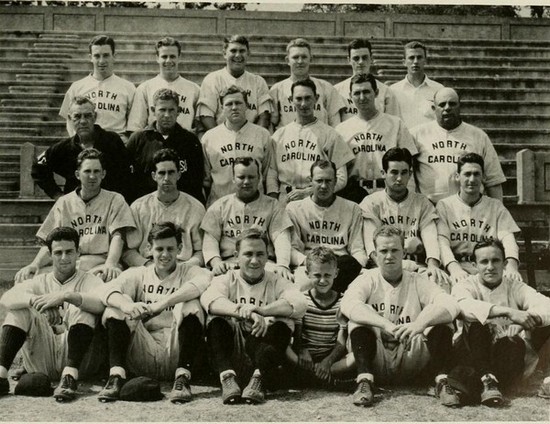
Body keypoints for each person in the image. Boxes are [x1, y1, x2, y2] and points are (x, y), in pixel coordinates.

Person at [340, 225, 460, 407]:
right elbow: (348, 305)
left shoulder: (417, 280)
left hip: (411, 352)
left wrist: (419, 324)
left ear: (404, 251)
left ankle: (442, 381)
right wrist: (384, 324)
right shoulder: (366, 279)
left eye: (395, 250)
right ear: (375, 254)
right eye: (384, 250)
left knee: (441, 321)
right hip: (377, 356)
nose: (389, 256)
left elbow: (451, 305)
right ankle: (365, 380)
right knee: (357, 320)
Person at [97, 222, 211, 403]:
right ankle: (116, 376)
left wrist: (160, 304)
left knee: (191, 304)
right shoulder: (139, 273)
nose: (165, 255)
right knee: (114, 308)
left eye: (170, 249)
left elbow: (204, 281)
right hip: (144, 350)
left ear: (179, 249)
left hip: (177, 348)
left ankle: (183, 378)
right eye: (159, 249)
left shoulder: (190, 271)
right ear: (149, 248)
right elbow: (105, 291)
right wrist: (127, 305)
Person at [201, 228, 307, 404]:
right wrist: (244, 311)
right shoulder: (227, 278)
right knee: (216, 321)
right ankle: (227, 378)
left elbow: (300, 303)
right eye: (248, 254)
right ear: (236, 256)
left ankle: (258, 379)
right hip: (232, 351)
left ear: (267, 256)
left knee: (284, 322)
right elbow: (209, 300)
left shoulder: (276, 280)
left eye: (260, 254)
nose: (254, 260)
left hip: (263, 351)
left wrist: (262, 311)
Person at [0, 227, 105, 401]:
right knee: (20, 309)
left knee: (84, 307)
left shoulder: (90, 280)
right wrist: (37, 302)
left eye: (69, 251)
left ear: (78, 253)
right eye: (58, 252)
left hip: (81, 363)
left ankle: (69, 377)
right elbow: (7, 298)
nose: (64, 258)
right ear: (50, 254)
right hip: (42, 359)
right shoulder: (40, 280)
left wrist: (66, 296)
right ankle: (1, 376)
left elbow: (102, 304)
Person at [450, 240, 550, 405]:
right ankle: (485, 380)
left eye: (495, 260)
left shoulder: (514, 286)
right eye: (484, 262)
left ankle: (479, 384)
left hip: (508, 356)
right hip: (475, 353)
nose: (490, 266)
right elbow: (464, 306)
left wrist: (528, 318)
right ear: (475, 265)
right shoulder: (466, 285)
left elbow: (546, 304)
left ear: (504, 264)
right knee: (478, 324)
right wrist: (510, 312)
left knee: (511, 342)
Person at [15, 148, 136, 284]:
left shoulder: (115, 199)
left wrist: (111, 263)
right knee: (28, 279)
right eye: (87, 171)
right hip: (69, 262)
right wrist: (35, 264)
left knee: (108, 278)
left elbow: (118, 236)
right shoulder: (64, 202)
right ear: (78, 174)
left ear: (103, 174)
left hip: (100, 262)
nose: (92, 176)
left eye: (96, 171)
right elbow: (50, 242)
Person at [359, 148, 447, 286]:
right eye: (394, 172)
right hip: (381, 267)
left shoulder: (422, 202)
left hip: (415, 266)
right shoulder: (371, 202)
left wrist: (433, 265)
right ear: (383, 173)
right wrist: (388, 269)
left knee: (440, 283)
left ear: (410, 174)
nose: (399, 178)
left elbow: (430, 237)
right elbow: (370, 244)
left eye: (404, 173)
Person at [201, 157, 293, 280]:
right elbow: (210, 239)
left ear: (259, 178)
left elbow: (281, 238)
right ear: (233, 178)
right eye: (241, 177)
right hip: (229, 264)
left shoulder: (272, 205)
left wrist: (282, 264)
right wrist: (216, 262)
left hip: (263, 265)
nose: (246, 182)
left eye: (251, 177)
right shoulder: (219, 206)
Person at [436, 153, 521, 283]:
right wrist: (454, 268)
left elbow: (508, 239)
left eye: (476, 174)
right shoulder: (445, 206)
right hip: (457, 267)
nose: (472, 179)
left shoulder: (495, 206)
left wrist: (511, 267)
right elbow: (442, 242)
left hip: (488, 268)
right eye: (467, 174)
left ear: (483, 177)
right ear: (458, 176)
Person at [410, 87, 506, 204]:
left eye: (452, 104)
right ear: (434, 108)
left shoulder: (478, 136)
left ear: (460, 106)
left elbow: (493, 180)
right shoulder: (417, 134)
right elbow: (407, 176)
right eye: (442, 104)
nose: (447, 108)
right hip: (430, 209)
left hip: (468, 209)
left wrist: (497, 212)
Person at [267, 79, 354, 204]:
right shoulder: (279, 135)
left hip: (317, 199)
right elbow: (272, 173)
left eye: (308, 98)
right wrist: (274, 200)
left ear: (316, 98)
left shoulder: (330, 134)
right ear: (291, 100)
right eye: (299, 99)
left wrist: (311, 191)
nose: (303, 104)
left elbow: (341, 177)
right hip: (285, 198)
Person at [286, 160, 367, 293]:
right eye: (319, 180)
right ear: (310, 181)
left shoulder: (352, 209)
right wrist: (314, 264)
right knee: (298, 288)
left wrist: (351, 267)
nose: (324, 186)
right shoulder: (295, 208)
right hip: (309, 266)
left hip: (342, 267)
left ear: (336, 181)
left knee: (362, 287)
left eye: (328, 181)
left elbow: (358, 250)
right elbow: (292, 250)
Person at [32, 96, 133, 202]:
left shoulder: (112, 141)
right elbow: (38, 168)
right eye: (77, 116)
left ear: (95, 117)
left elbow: (126, 176)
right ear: (70, 119)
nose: (83, 121)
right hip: (76, 207)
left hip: (108, 205)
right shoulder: (64, 148)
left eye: (88, 116)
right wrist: (56, 194)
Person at [335, 74, 417, 202]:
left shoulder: (396, 124)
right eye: (357, 93)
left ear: (376, 92)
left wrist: (408, 196)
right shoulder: (342, 129)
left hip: (388, 192)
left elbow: (409, 165)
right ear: (350, 96)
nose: (362, 97)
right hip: (354, 193)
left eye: (366, 92)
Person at [124, 148, 205, 268]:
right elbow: (129, 251)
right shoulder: (138, 207)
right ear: (154, 176)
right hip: (148, 266)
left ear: (179, 174)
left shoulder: (195, 207)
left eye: (171, 172)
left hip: (184, 266)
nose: (166, 178)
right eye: (162, 173)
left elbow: (201, 251)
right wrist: (147, 265)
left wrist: (184, 268)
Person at [286, 247, 354, 386]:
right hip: (306, 359)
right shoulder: (303, 300)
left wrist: (328, 361)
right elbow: (298, 335)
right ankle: (326, 380)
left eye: (327, 275)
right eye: (317, 275)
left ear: (336, 273)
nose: (322, 281)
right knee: (284, 349)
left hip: (331, 360)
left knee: (355, 357)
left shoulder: (343, 301)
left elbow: (341, 341)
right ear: (307, 274)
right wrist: (302, 350)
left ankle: (317, 376)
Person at [126, 88, 205, 204]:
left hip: (181, 207)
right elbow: (128, 181)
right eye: (162, 110)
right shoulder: (138, 140)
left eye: (171, 110)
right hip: (146, 209)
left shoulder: (190, 141)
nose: (167, 115)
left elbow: (196, 182)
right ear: (153, 110)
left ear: (178, 111)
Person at [201, 85, 272, 207]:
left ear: (247, 106)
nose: (234, 108)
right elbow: (206, 179)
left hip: (255, 206)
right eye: (229, 104)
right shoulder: (209, 137)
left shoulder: (262, 135)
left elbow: (266, 174)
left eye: (238, 103)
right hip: (219, 205)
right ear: (222, 107)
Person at [59, 35, 135, 142]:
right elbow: (69, 120)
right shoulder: (76, 87)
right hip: (86, 143)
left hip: (115, 143)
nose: (101, 61)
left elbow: (134, 125)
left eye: (106, 55)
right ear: (90, 57)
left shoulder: (128, 87)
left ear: (114, 56)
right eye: (97, 56)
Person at [197, 35, 271, 131]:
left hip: (250, 139)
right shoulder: (212, 79)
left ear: (248, 54)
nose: (238, 55)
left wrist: (254, 137)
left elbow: (264, 116)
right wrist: (221, 137)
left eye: (242, 51)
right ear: (224, 54)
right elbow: (206, 115)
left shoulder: (258, 81)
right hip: (221, 137)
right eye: (233, 51)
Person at [127, 37, 200, 133]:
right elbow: (136, 127)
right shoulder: (145, 88)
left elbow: (199, 127)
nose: (168, 61)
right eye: (164, 56)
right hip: (155, 143)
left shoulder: (194, 89)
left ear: (179, 57)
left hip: (183, 144)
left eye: (172, 56)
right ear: (157, 58)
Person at [270, 37, 346, 129]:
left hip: (320, 140)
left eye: (304, 57)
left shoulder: (326, 87)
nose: (300, 61)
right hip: (289, 141)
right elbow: (272, 124)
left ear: (311, 59)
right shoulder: (277, 89)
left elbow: (335, 124)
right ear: (287, 60)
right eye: (295, 57)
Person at [334, 38, 400, 122]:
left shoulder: (386, 92)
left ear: (371, 59)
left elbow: (392, 124)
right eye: (356, 58)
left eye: (364, 57)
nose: (361, 62)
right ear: (349, 60)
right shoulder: (337, 91)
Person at [390, 41, 444, 130]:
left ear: (425, 61)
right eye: (411, 58)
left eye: (419, 57)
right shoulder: (393, 90)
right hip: (403, 141)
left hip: (429, 141)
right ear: (404, 62)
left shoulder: (438, 89)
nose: (415, 61)